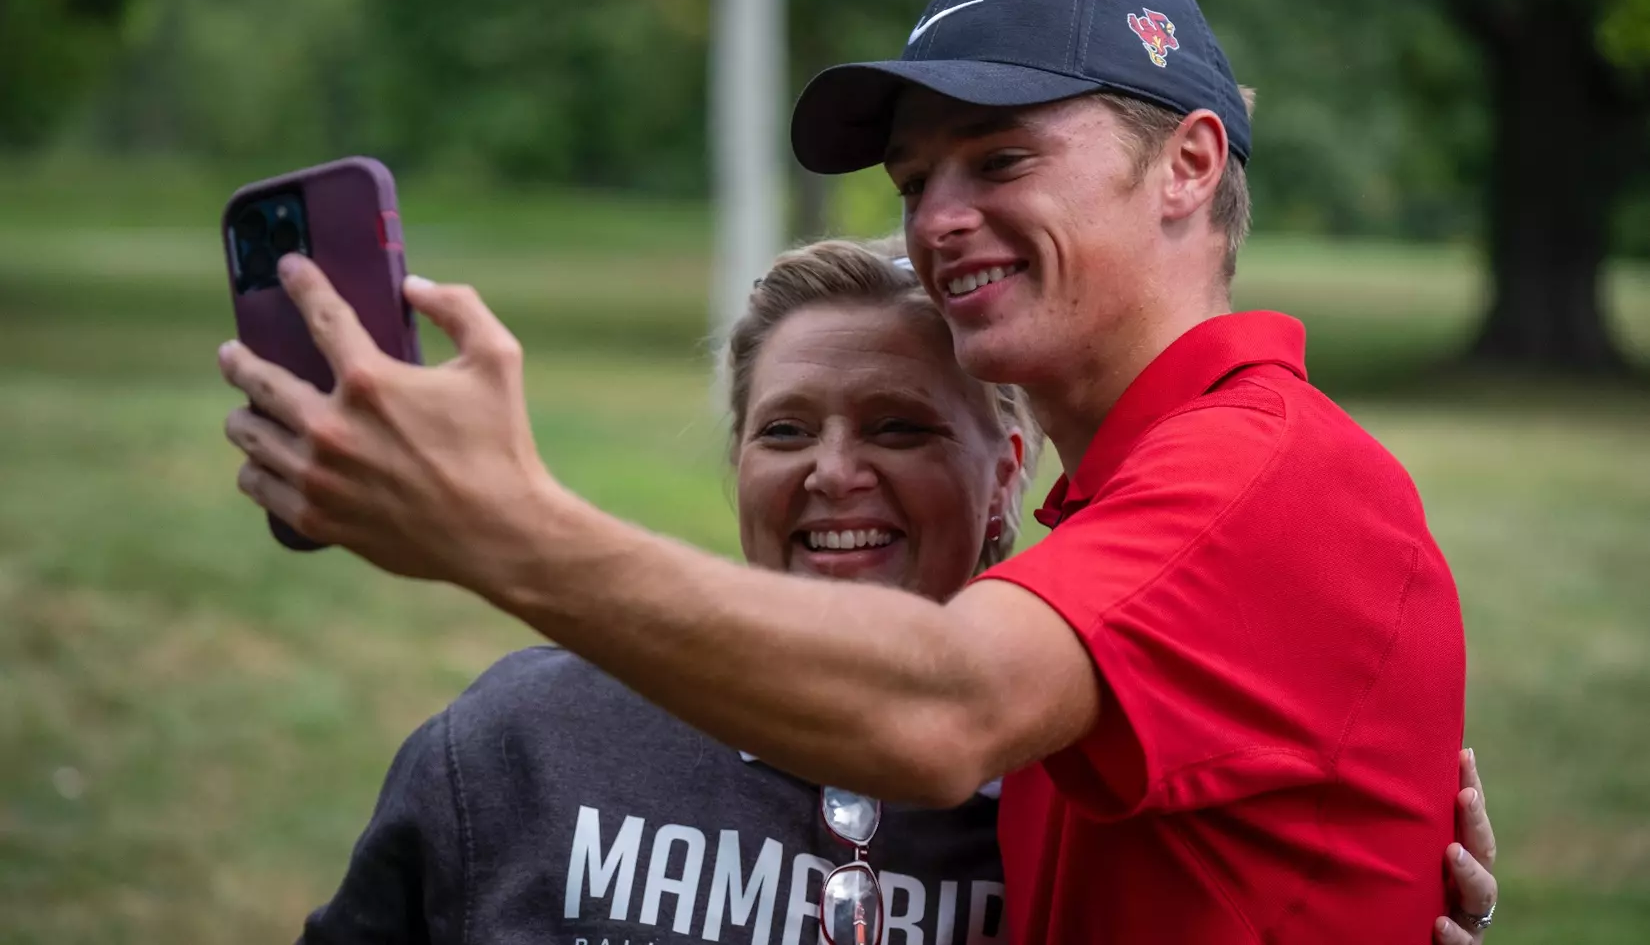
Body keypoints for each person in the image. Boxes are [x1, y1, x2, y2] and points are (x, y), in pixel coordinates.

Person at [220, 0, 1497, 941]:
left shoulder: (1259, 472)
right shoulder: (1123, 513)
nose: (939, 220)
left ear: (1189, 165)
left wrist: (498, 522)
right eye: (911, 180)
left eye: (1000, 158)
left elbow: (940, 707)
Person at [287, 240, 1498, 945]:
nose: (833, 470)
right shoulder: (522, 742)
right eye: (784, 429)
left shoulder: (1091, 794)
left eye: (901, 425)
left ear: (1007, 474)